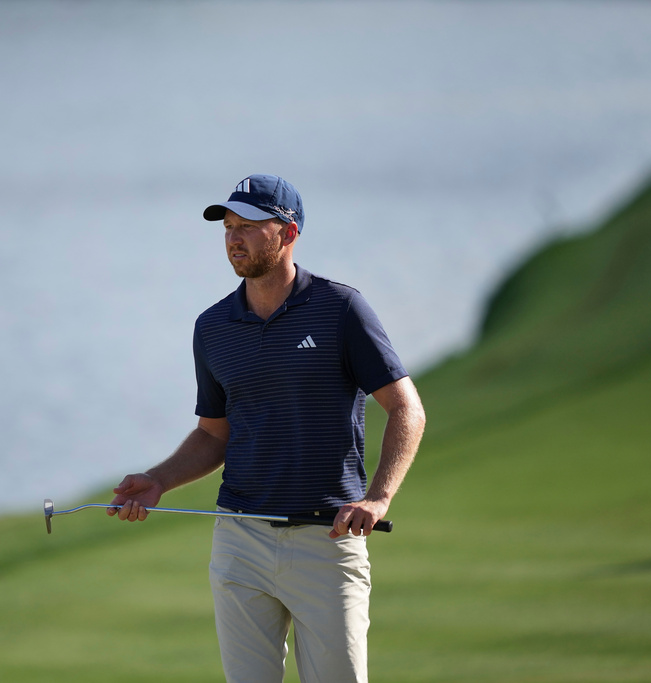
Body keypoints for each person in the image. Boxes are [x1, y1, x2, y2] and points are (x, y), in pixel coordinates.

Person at [108, 174, 426, 683]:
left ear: (288, 233)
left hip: (327, 538)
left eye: (250, 227)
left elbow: (407, 409)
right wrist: (160, 479)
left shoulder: (340, 309)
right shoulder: (212, 326)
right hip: (239, 540)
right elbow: (215, 433)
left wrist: (379, 497)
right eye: (229, 227)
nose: (234, 238)